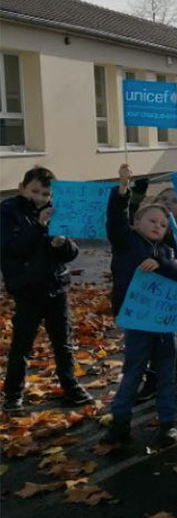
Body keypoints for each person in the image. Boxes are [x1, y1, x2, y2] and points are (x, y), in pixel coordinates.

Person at [101, 164, 177, 447]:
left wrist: (161, 262)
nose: (157, 226)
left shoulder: (167, 251)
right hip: (137, 321)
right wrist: (123, 191)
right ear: (137, 221)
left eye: (163, 225)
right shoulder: (126, 242)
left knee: (166, 375)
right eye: (152, 220)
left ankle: (167, 423)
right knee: (132, 373)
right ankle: (120, 423)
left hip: (164, 324)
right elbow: (116, 219)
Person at [1, 166, 92, 415]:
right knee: (22, 342)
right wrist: (40, 227)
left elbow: (71, 253)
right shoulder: (8, 211)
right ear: (22, 188)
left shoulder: (57, 211)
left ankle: (70, 385)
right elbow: (14, 248)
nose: (40, 198)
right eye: (34, 191)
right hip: (27, 287)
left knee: (63, 341)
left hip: (55, 285)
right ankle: (13, 393)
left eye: (45, 194)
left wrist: (62, 244)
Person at [135, 187, 177, 404]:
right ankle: (152, 381)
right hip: (149, 295)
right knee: (151, 339)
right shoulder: (145, 231)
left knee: (176, 338)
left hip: (172, 295)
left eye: (174, 201)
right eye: (164, 198)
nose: (168, 202)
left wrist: (162, 261)